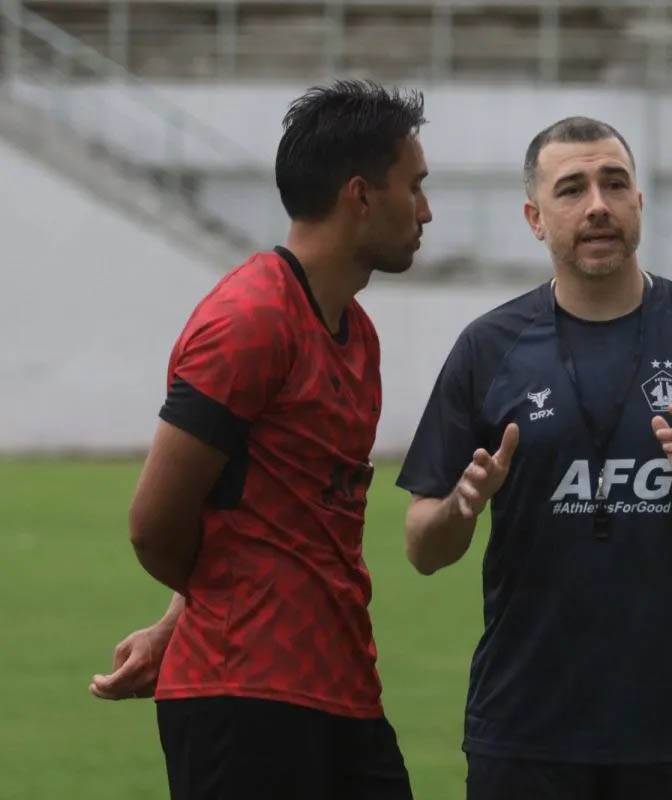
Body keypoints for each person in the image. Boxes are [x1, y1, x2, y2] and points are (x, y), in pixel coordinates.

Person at [397, 116, 672, 800]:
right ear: (535, 217)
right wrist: (463, 507)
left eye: (615, 184)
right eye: (572, 189)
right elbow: (423, 547)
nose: (598, 206)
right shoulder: (488, 348)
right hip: (526, 733)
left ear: (639, 201)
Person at [88, 80, 432, 800]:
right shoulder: (250, 319)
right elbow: (153, 525)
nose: (425, 210)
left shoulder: (356, 336)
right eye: (415, 186)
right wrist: (220, 609)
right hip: (243, 697)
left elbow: (269, 514)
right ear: (361, 196)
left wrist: (181, 617)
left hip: (340, 689)